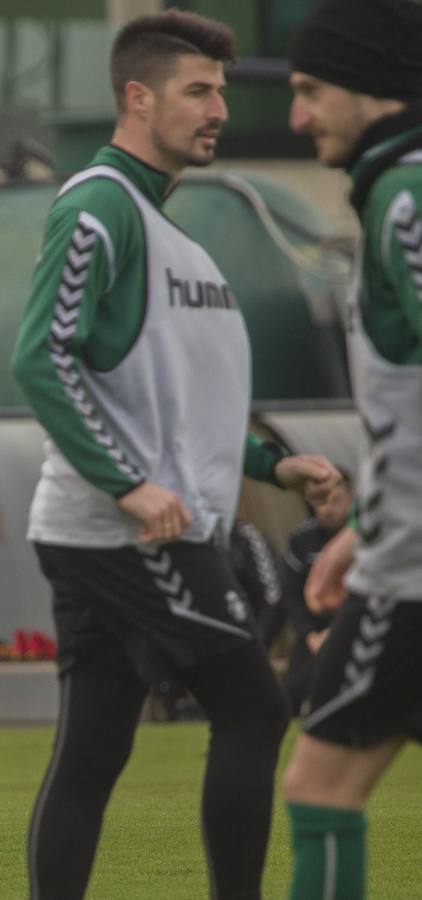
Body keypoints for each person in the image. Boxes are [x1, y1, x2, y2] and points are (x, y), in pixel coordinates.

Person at [9, 11, 340, 899]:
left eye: (222, 92)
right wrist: (127, 486)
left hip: (136, 526)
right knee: (255, 707)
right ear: (137, 96)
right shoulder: (97, 205)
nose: (218, 108)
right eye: (199, 90)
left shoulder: (172, 238)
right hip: (130, 532)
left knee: (94, 747)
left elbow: (175, 413)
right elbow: (42, 356)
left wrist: (275, 467)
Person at [281, 2, 422, 896]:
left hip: (413, 579)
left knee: (318, 783)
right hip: (396, 553)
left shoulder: (406, 197)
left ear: (372, 87)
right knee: (332, 782)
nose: (297, 117)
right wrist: (362, 524)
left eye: (310, 90)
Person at [278, 472, 353, 715]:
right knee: (290, 695)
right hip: (315, 632)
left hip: (355, 627)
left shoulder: (368, 537)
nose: (327, 509)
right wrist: (310, 634)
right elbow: (291, 595)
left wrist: (338, 631)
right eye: (320, 502)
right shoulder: (302, 539)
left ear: (352, 499)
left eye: (335, 500)